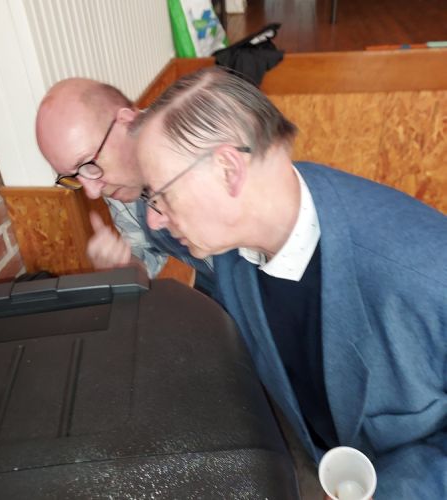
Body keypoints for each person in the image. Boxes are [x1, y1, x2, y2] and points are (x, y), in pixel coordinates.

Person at [134, 67, 447, 499]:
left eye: (159, 196)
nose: (155, 218)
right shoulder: (231, 239)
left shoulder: (426, 274)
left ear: (228, 170)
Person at [35, 78, 213, 292]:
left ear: (127, 121)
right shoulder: (117, 184)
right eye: (74, 177)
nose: (93, 192)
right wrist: (125, 265)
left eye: (88, 164)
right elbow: (146, 254)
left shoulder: (202, 137)